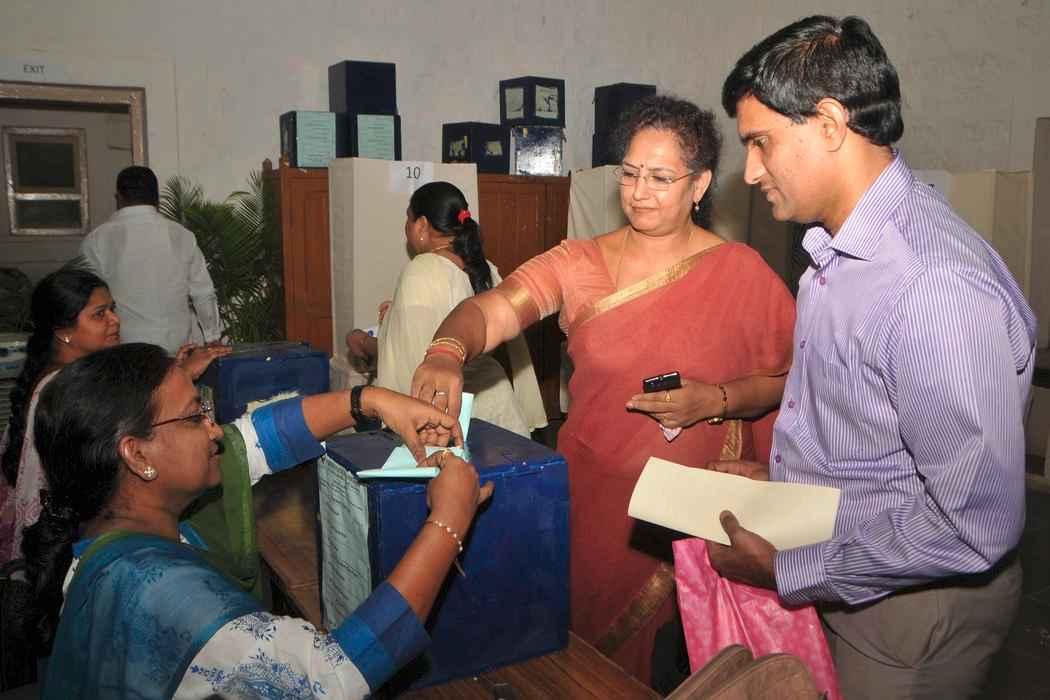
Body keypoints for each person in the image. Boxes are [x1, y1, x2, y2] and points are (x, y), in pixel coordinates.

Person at [411, 96, 796, 684]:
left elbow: (787, 381)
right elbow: (491, 310)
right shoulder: (579, 263)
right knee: (584, 664)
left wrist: (715, 400)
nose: (639, 192)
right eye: (630, 173)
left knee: (677, 667)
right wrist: (446, 350)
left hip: (693, 510)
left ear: (699, 185)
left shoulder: (740, 272)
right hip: (598, 502)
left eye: (661, 178)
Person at [709, 15, 1036, 699]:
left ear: (830, 123)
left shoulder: (930, 287)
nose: (754, 171)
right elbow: (869, 429)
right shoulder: (840, 254)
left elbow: (973, 525)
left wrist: (788, 570)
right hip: (857, 571)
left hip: (911, 615)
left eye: (762, 142)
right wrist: (781, 479)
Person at [16, 343, 489, 698]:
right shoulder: (166, 600)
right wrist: (448, 520)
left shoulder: (103, 533)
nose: (214, 429)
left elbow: (256, 438)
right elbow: (332, 677)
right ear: (137, 455)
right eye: (194, 416)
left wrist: (371, 401)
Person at [0, 265, 227, 565]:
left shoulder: (73, 378)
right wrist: (178, 378)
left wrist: (174, 374)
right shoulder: (61, 389)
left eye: (113, 309)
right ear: (63, 331)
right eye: (99, 314)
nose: (115, 320)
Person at [346, 181, 546, 438]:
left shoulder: (421, 270)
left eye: (407, 220)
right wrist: (396, 316)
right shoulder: (485, 268)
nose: (406, 228)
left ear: (421, 226)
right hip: (497, 412)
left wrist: (363, 342)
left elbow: (414, 363)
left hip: (447, 420)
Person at [80, 165, 223, 353]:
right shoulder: (181, 235)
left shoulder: (97, 240)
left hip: (123, 349)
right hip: (178, 349)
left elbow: (85, 299)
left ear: (119, 198)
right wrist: (212, 337)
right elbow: (203, 292)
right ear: (156, 198)